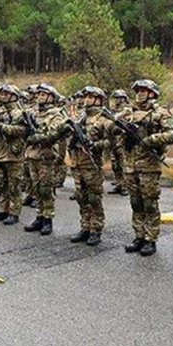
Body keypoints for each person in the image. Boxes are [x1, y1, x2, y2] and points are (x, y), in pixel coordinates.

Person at [118, 79, 173, 257]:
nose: (140, 93)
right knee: (135, 203)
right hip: (130, 165)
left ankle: (150, 239)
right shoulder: (128, 113)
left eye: (144, 90)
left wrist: (152, 139)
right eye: (138, 90)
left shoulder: (159, 113)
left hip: (148, 166)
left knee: (149, 203)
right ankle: (139, 236)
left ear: (152, 93)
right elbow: (113, 129)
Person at [66, 86, 113, 246]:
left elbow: (112, 141)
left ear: (98, 99)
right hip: (77, 163)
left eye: (90, 97)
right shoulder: (81, 117)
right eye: (85, 96)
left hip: (91, 165)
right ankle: (85, 227)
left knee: (94, 198)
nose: (86, 99)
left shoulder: (104, 119)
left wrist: (95, 145)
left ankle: (96, 230)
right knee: (81, 197)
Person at [22, 83, 67, 236]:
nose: (39, 97)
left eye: (43, 94)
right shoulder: (33, 112)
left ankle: (48, 219)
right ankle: (39, 216)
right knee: (36, 189)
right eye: (39, 94)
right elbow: (23, 130)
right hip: (32, 155)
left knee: (45, 189)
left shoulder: (56, 114)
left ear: (51, 97)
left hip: (46, 157)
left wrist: (37, 137)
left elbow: (54, 135)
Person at [0, 84, 28, 225]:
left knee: (14, 186)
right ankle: (3, 210)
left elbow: (23, 130)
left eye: (5, 94)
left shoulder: (20, 113)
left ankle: (14, 212)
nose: (2, 96)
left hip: (13, 155)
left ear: (13, 96)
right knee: (2, 185)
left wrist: (2, 127)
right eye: (1, 94)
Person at [107, 90, 131, 196]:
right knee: (115, 165)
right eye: (115, 98)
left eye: (119, 98)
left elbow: (118, 119)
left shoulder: (127, 109)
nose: (117, 100)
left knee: (122, 164)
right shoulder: (112, 110)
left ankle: (125, 186)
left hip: (122, 141)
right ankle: (119, 184)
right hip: (113, 141)